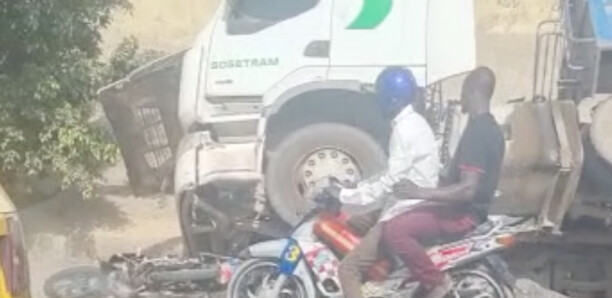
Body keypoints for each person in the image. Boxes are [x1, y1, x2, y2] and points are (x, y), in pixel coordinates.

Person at [383, 66, 505, 298]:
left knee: (395, 230)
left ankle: (437, 283)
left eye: (462, 92)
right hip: (467, 210)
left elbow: (468, 189)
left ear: (470, 91)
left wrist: (419, 191)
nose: (460, 99)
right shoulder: (491, 129)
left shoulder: (478, 132)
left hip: (462, 215)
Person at [336, 66, 440, 298]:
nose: (377, 103)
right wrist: (357, 187)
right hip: (409, 204)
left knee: (348, 269)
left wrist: (344, 196)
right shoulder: (416, 123)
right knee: (353, 222)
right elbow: (391, 173)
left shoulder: (404, 131)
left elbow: (389, 184)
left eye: (380, 97)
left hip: (402, 210)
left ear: (393, 99)